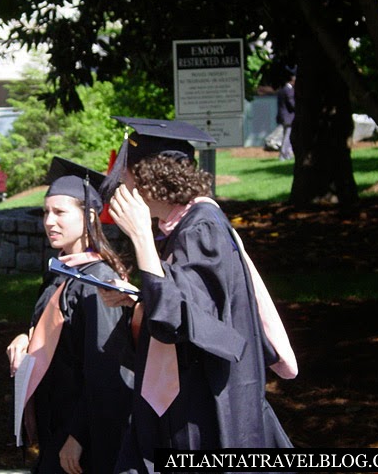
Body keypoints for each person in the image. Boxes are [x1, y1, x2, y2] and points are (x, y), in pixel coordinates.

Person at [98, 117, 297, 474]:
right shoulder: (181, 228)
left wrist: (142, 239)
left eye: (126, 174)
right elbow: (187, 304)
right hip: (181, 402)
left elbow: (181, 321)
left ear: (151, 177)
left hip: (203, 408)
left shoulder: (202, 228)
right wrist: (138, 299)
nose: (122, 186)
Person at [7, 157, 134, 474]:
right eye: (46, 212)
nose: (49, 221)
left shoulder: (98, 283)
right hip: (56, 424)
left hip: (82, 434)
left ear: (90, 216)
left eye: (60, 212)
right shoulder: (61, 272)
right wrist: (28, 336)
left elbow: (108, 369)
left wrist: (78, 436)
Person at [276, 69, 296, 161]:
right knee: (287, 136)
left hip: (283, 116)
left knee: (286, 135)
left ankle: (286, 153)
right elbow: (291, 104)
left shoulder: (281, 89)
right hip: (288, 117)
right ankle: (283, 154)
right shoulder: (289, 90)